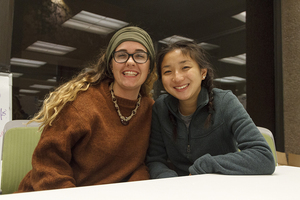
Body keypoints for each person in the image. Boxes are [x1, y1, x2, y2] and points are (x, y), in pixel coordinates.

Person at [17, 26, 157, 192]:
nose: (131, 61)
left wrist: (136, 188)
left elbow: (142, 163)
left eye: (140, 56)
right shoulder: (81, 102)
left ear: (149, 67)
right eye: (121, 55)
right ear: (111, 65)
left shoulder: (151, 109)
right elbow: (47, 164)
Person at [146, 40, 275, 178]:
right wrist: (171, 183)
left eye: (185, 67)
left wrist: (205, 166)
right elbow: (155, 160)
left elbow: (263, 156)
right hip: (181, 190)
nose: (177, 77)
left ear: (203, 73)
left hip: (222, 186)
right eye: (168, 71)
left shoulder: (225, 102)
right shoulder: (160, 108)